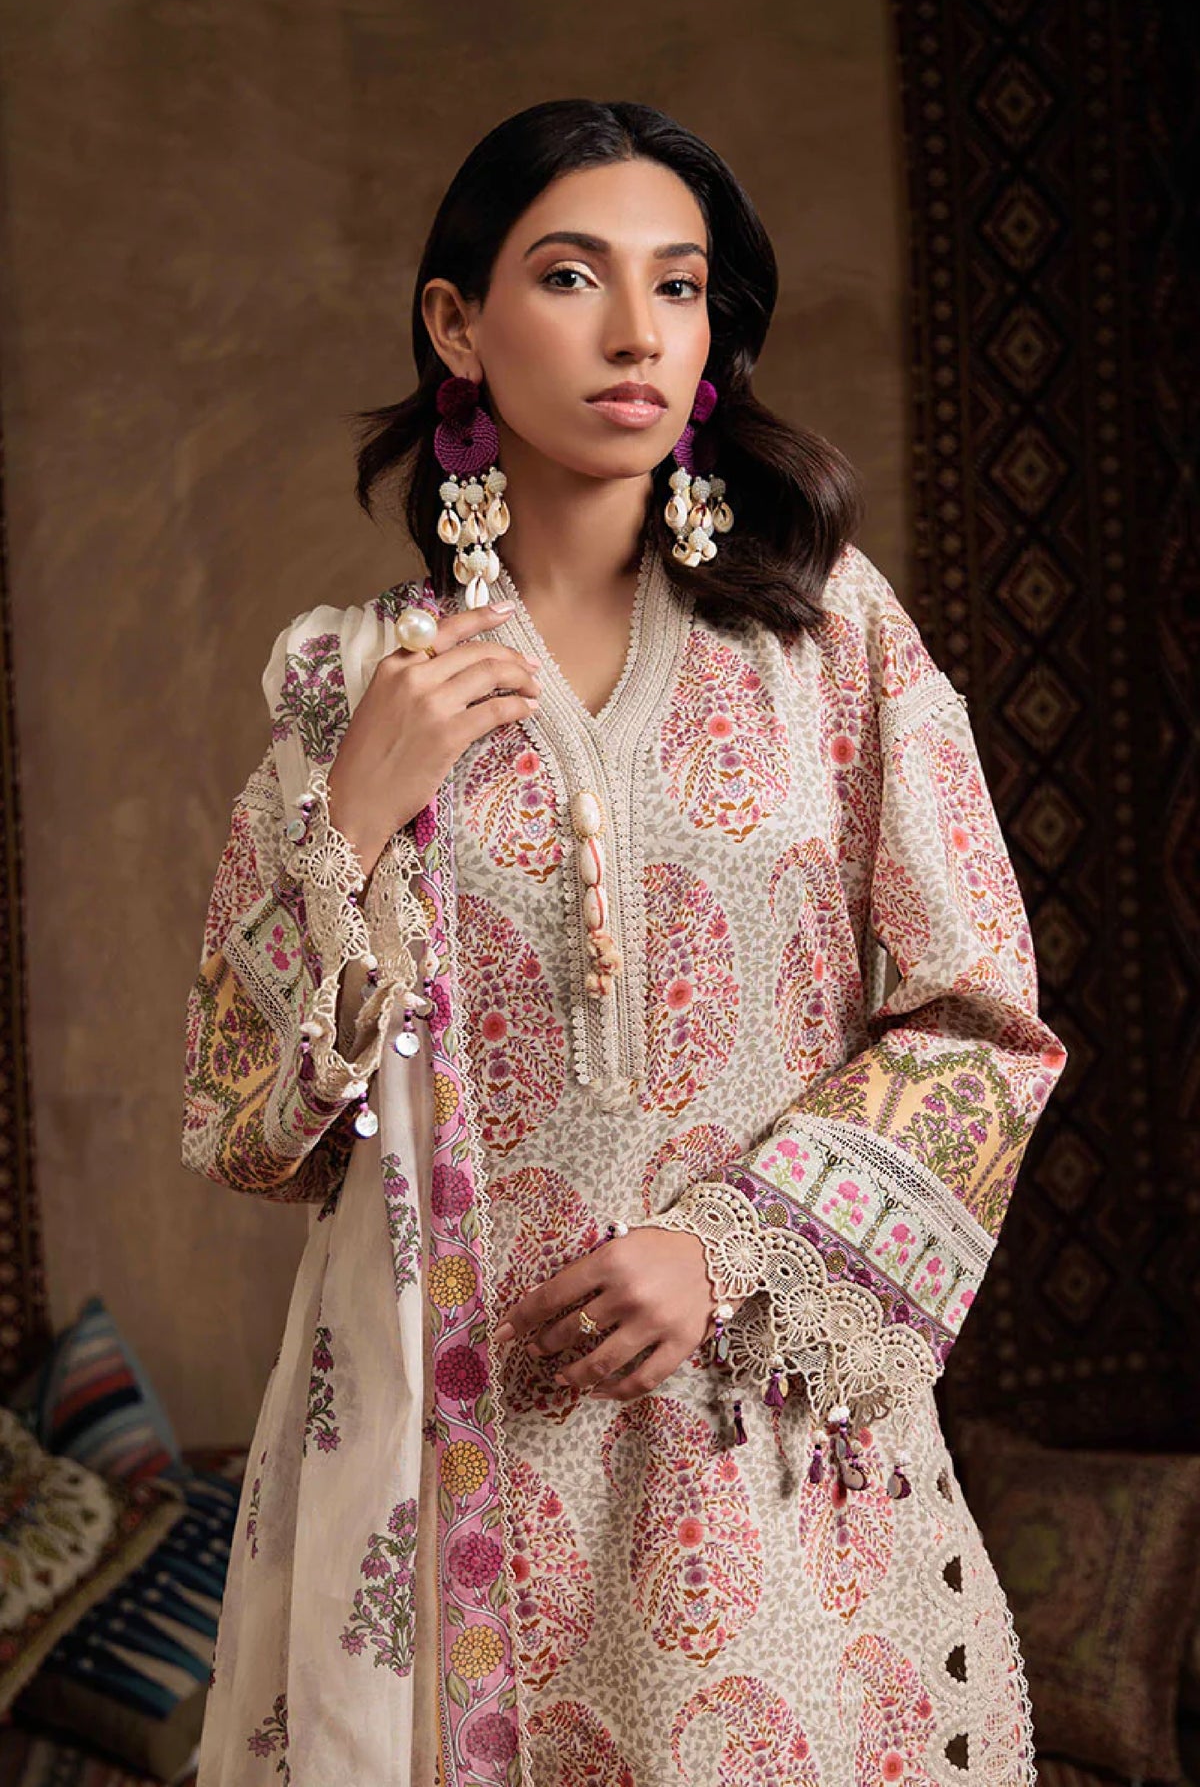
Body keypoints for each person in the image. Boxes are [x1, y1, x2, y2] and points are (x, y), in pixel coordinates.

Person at [182, 97, 1067, 1787]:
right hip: (452, 1474)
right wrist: (350, 818)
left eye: (680, 286)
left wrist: (727, 1249)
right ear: (457, 324)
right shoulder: (348, 679)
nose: (638, 332)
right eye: (573, 276)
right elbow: (249, 1121)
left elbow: (980, 1027)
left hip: (758, 1453)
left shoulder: (830, 643)